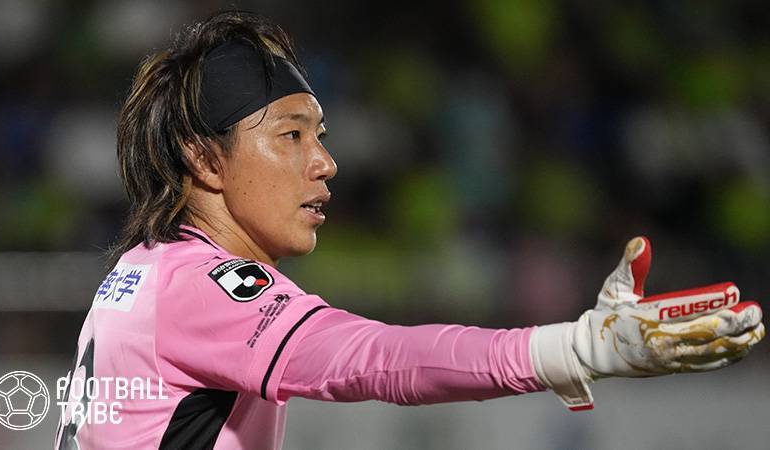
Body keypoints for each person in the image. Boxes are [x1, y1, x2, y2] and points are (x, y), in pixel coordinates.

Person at [55, 10, 765, 450]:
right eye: (291, 135)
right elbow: (374, 357)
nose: (325, 162)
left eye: (320, 135)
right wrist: (572, 349)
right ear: (204, 158)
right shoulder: (204, 285)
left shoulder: (147, 270)